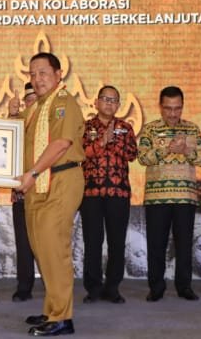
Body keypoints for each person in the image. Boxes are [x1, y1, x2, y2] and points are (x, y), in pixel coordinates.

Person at [10, 52, 84, 336]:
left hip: (59, 180)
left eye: (43, 73)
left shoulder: (64, 103)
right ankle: (52, 309)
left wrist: (33, 172)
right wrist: (12, 117)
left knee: (54, 249)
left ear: (58, 74)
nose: (37, 79)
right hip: (38, 183)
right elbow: (15, 137)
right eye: (32, 74)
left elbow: (61, 143)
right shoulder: (37, 107)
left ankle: (62, 317)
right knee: (42, 249)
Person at [137, 86, 201, 302]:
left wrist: (185, 150)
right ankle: (156, 287)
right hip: (156, 197)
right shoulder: (150, 129)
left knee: (184, 244)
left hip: (185, 196)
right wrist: (166, 148)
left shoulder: (192, 129)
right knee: (156, 244)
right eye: (168, 108)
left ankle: (184, 286)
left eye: (177, 108)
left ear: (182, 106)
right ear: (160, 107)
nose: (173, 113)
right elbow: (143, 158)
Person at [80, 85, 137, 304]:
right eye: (105, 99)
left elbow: (132, 154)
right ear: (96, 102)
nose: (109, 103)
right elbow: (81, 153)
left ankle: (113, 288)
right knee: (92, 242)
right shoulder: (85, 127)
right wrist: (102, 141)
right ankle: (93, 288)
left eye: (113, 100)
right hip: (91, 192)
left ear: (118, 105)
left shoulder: (125, 128)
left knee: (116, 242)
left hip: (118, 192)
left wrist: (113, 143)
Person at [10, 82, 38, 302]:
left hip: (47, 193)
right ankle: (24, 287)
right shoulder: (17, 123)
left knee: (49, 243)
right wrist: (12, 116)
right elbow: (4, 146)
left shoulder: (52, 124)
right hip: (21, 194)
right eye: (29, 100)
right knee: (23, 243)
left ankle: (53, 286)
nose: (33, 104)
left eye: (37, 100)